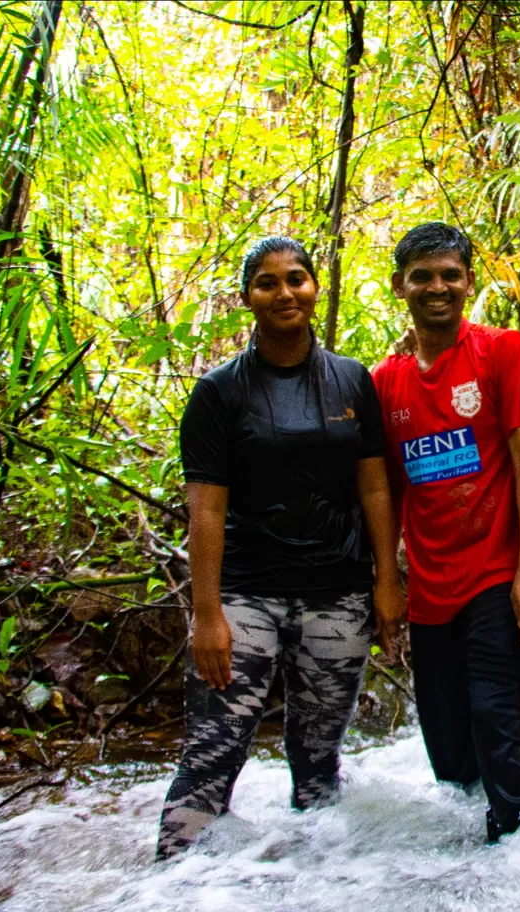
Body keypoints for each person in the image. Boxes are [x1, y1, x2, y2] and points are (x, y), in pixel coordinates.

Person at [159, 236, 404, 859]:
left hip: (338, 593)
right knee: (213, 750)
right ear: (248, 298)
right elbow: (206, 509)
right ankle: (174, 885)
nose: (285, 292)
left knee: (319, 763)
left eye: (297, 278)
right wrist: (206, 614)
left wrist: (386, 579)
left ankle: (310, 883)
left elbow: (374, 486)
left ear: (315, 288)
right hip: (246, 593)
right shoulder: (219, 392)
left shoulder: (351, 380)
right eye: (268, 283)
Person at [371, 222, 520, 841]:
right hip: (429, 584)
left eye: (451, 274)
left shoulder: (502, 351)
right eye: (422, 276)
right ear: (400, 286)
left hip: (498, 574)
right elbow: (388, 488)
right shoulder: (384, 382)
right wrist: (387, 583)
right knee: (448, 746)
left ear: (470, 282)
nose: (438, 287)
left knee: (496, 712)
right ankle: (500, 834)